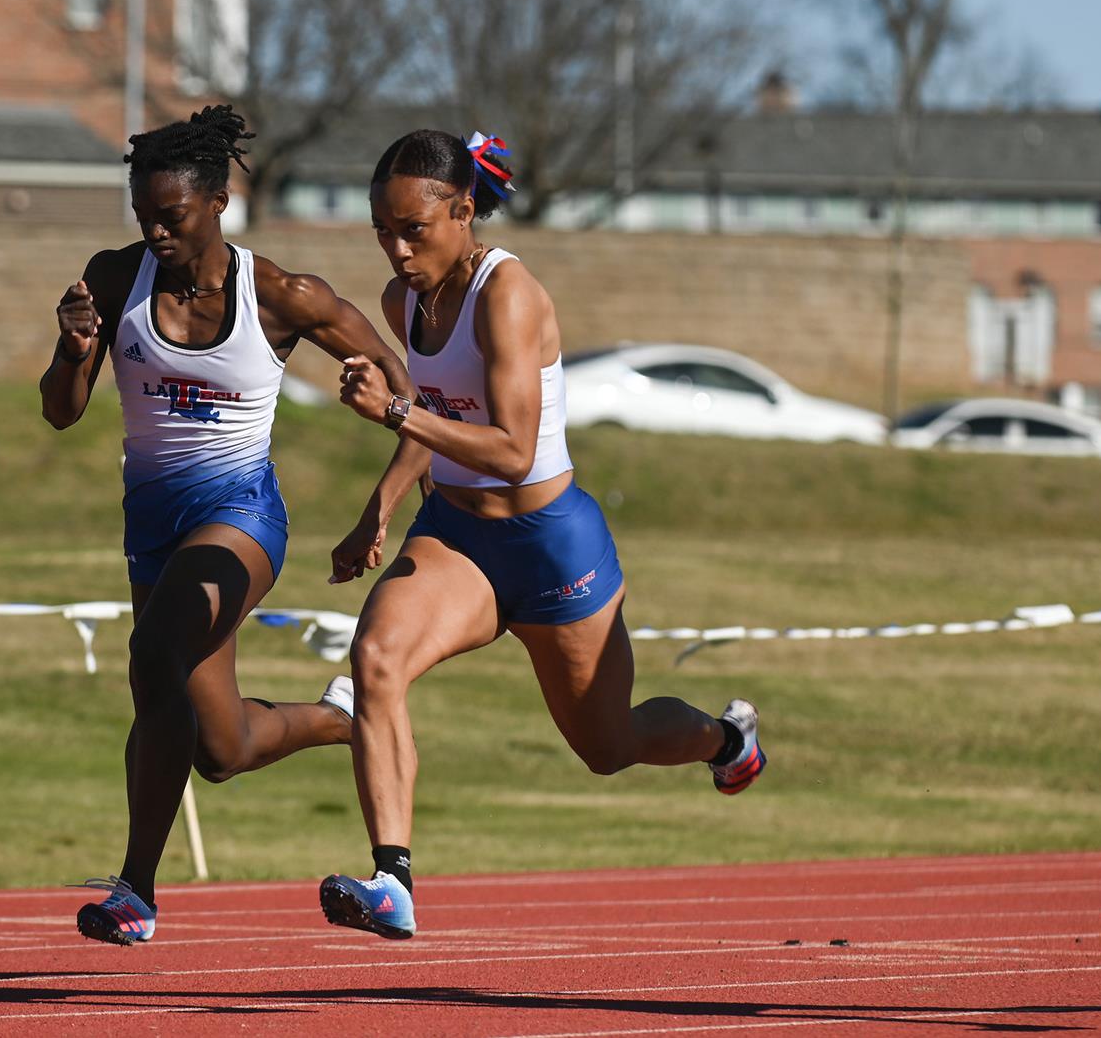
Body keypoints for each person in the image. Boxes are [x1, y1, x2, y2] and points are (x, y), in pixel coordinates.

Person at [313, 130, 766, 939]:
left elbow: (514, 450)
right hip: (456, 536)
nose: (396, 247)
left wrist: (391, 408)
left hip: (550, 541)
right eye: (382, 229)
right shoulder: (403, 301)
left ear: (464, 211)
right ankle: (394, 879)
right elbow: (440, 420)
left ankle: (727, 737)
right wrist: (379, 504)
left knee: (608, 743)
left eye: (413, 229)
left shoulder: (507, 293)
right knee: (376, 657)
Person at [39, 104, 421, 945]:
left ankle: (135, 889)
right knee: (219, 747)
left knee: (153, 653)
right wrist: (72, 353)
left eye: (170, 217)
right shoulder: (113, 278)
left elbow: (411, 398)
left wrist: (381, 504)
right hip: (154, 531)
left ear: (215, 204)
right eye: (144, 216)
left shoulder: (283, 296)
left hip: (241, 519)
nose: (156, 233)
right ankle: (341, 718)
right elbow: (62, 414)